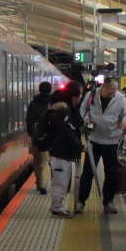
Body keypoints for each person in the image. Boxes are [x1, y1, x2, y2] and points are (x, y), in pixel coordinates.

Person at [78, 78, 126, 214]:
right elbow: (83, 110)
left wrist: (124, 121)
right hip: (94, 140)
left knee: (111, 173)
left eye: (115, 91)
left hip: (112, 141)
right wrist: (87, 120)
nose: (113, 94)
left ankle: (108, 202)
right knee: (88, 172)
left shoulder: (120, 98)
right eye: (111, 91)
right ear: (103, 88)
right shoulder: (91, 95)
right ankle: (81, 201)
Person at [42, 82, 84, 217]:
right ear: (74, 97)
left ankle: (58, 206)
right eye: (79, 95)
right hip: (60, 152)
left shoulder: (62, 107)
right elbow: (67, 132)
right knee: (60, 180)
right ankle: (57, 208)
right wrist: (80, 146)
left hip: (61, 151)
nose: (80, 98)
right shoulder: (63, 110)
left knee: (62, 179)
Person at [25, 81, 54, 194]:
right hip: (49, 137)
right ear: (50, 90)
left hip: (36, 137)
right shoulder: (52, 102)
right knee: (46, 161)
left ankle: (39, 184)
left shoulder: (33, 103)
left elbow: (29, 120)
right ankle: (45, 184)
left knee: (37, 161)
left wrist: (32, 134)